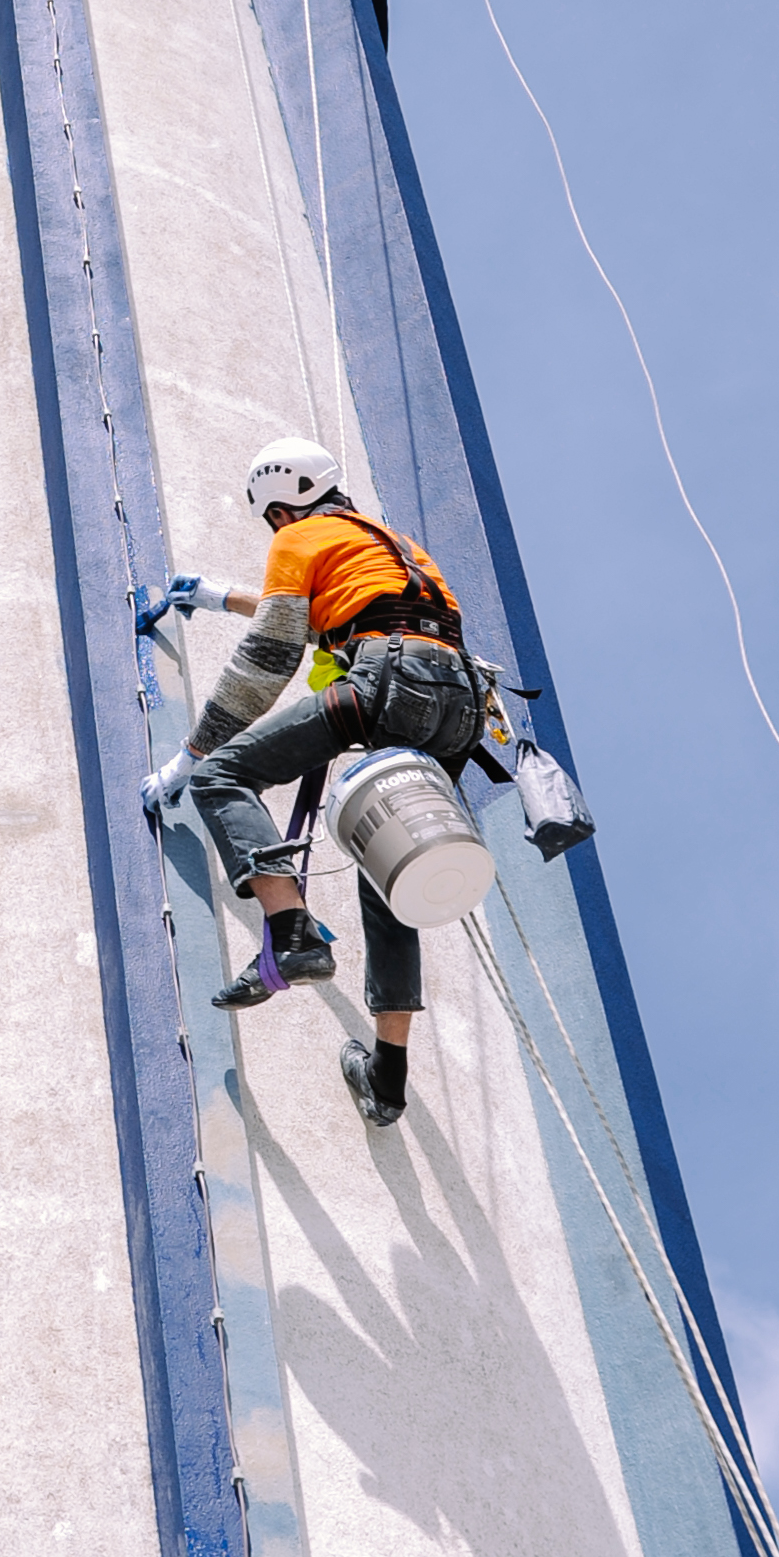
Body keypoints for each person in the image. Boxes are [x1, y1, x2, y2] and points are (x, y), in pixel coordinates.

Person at [141, 439, 485, 1128]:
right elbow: (332, 612)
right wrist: (216, 596)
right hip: (460, 705)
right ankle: (386, 1081)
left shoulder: (297, 535)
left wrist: (190, 753)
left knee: (223, 776)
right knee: (390, 867)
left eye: (271, 518)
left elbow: (272, 651)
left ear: (279, 503)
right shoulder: (390, 542)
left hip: (389, 683)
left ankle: (290, 929)